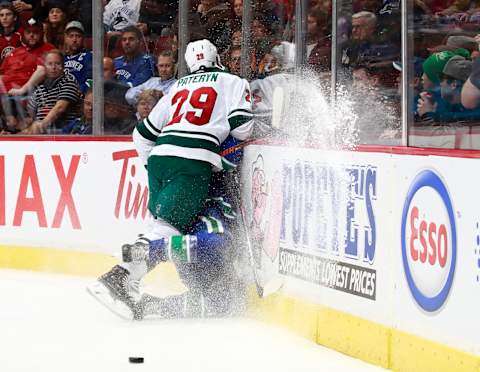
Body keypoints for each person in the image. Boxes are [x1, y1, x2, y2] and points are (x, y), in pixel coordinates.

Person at [88, 39, 253, 319]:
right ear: (217, 56)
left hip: (160, 159)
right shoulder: (232, 81)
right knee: (167, 233)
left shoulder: (178, 86)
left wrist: (153, 166)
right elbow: (243, 129)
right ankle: (120, 275)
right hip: (192, 161)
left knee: (161, 227)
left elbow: (142, 135)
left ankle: (130, 279)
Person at [22, 49, 82, 134]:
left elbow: (59, 108)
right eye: (50, 64)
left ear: (63, 66)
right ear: (44, 66)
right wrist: (20, 132)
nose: (53, 67)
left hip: (65, 134)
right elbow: (30, 115)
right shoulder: (40, 87)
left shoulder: (68, 81)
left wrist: (41, 125)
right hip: (42, 135)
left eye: (57, 64)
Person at [63, 21, 92, 94]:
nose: (74, 40)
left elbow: (92, 80)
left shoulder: (89, 57)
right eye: (71, 36)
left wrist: (81, 90)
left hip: (80, 98)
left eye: (78, 36)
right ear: (65, 38)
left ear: (83, 38)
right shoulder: (61, 58)